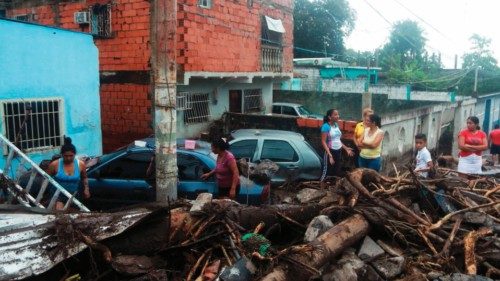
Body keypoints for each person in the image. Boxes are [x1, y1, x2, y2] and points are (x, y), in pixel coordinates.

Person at [47, 137, 90, 210]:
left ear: (75, 154)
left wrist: (86, 189)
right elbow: (46, 179)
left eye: (71, 156)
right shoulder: (54, 164)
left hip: (74, 195)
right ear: (62, 154)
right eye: (66, 156)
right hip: (58, 196)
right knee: (59, 215)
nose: (68, 158)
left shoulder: (81, 164)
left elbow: (84, 178)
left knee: (73, 216)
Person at [320, 109, 354, 187]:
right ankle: (321, 186)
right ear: (329, 117)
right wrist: (330, 155)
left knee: (336, 169)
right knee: (327, 170)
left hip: (338, 150)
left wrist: (346, 148)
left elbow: (338, 140)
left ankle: (333, 186)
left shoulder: (336, 125)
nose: (338, 116)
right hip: (329, 150)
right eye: (335, 115)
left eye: (338, 114)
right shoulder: (325, 127)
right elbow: (323, 141)